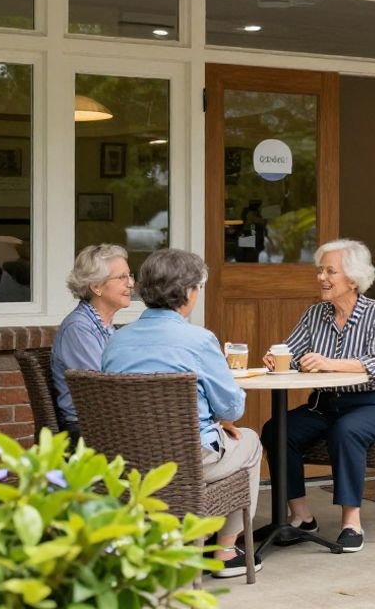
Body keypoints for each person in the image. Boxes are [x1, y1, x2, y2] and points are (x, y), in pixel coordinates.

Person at [100, 249, 262, 578]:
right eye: (198, 288)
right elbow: (232, 408)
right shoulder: (198, 340)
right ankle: (225, 551)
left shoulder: (117, 341)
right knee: (251, 441)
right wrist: (222, 419)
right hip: (189, 459)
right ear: (188, 292)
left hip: (127, 462)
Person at [261, 239, 375, 554]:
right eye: (320, 270)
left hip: (374, 404)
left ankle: (352, 521)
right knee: (277, 429)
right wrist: (276, 356)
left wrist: (328, 363)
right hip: (324, 406)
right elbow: (291, 352)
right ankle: (301, 516)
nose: (321, 277)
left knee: (347, 430)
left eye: (330, 271)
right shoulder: (315, 315)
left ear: (352, 279)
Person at [51, 244, 134, 442]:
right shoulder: (79, 328)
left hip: (108, 422)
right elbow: (102, 389)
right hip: (86, 430)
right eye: (122, 277)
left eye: (130, 275)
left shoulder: (106, 326)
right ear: (96, 286)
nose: (131, 283)